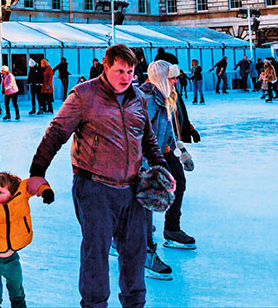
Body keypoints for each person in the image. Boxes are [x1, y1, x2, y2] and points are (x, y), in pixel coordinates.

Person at [28, 44, 166, 308]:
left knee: (135, 254)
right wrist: (37, 172)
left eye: (130, 71)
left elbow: (147, 139)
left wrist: (160, 168)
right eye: (120, 71)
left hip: (133, 189)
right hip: (94, 187)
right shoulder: (83, 95)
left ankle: (135, 304)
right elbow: (56, 133)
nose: (126, 77)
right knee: (96, 254)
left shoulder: (139, 98)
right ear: (106, 67)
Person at [0, 172, 54, 308]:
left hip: (12, 260)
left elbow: (35, 184)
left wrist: (46, 191)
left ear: (12, 193)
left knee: (17, 293)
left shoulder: (20, 196)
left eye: (1, 192)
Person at [141, 61, 196, 253]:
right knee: (145, 195)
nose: (174, 82)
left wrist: (181, 150)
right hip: (148, 156)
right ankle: (138, 242)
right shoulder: (147, 100)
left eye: (175, 78)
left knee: (178, 183)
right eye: (171, 78)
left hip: (164, 152)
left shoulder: (166, 96)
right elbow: (138, 132)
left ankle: (172, 229)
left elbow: (168, 127)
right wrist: (141, 162)